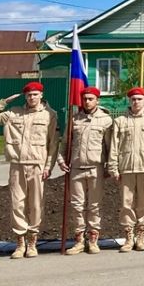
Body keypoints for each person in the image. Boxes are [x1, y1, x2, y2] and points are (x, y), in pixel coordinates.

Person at [0, 82, 59, 259]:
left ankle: (32, 241)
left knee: (35, 204)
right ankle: (20, 242)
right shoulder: (13, 113)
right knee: (17, 203)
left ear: (41, 95)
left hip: (37, 164)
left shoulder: (50, 115)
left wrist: (48, 166)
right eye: (29, 95)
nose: (31, 98)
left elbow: (53, 143)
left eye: (35, 94)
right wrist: (3, 102)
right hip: (17, 164)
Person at [106, 87, 144, 252]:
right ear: (129, 101)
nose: (136, 102)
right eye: (133, 99)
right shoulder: (120, 121)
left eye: (139, 99)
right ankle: (128, 237)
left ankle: (141, 237)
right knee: (126, 204)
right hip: (126, 168)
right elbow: (114, 147)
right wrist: (113, 168)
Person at [57, 86, 113, 255]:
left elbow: (111, 146)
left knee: (94, 206)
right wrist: (60, 159)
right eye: (85, 99)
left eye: (91, 99)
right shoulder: (74, 119)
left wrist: (110, 166)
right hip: (76, 167)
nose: (87, 102)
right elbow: (65, 143)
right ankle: (79, 240)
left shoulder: (106, 120)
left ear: (97, 100)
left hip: (96, 168)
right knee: (77, 206)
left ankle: (93, 239)